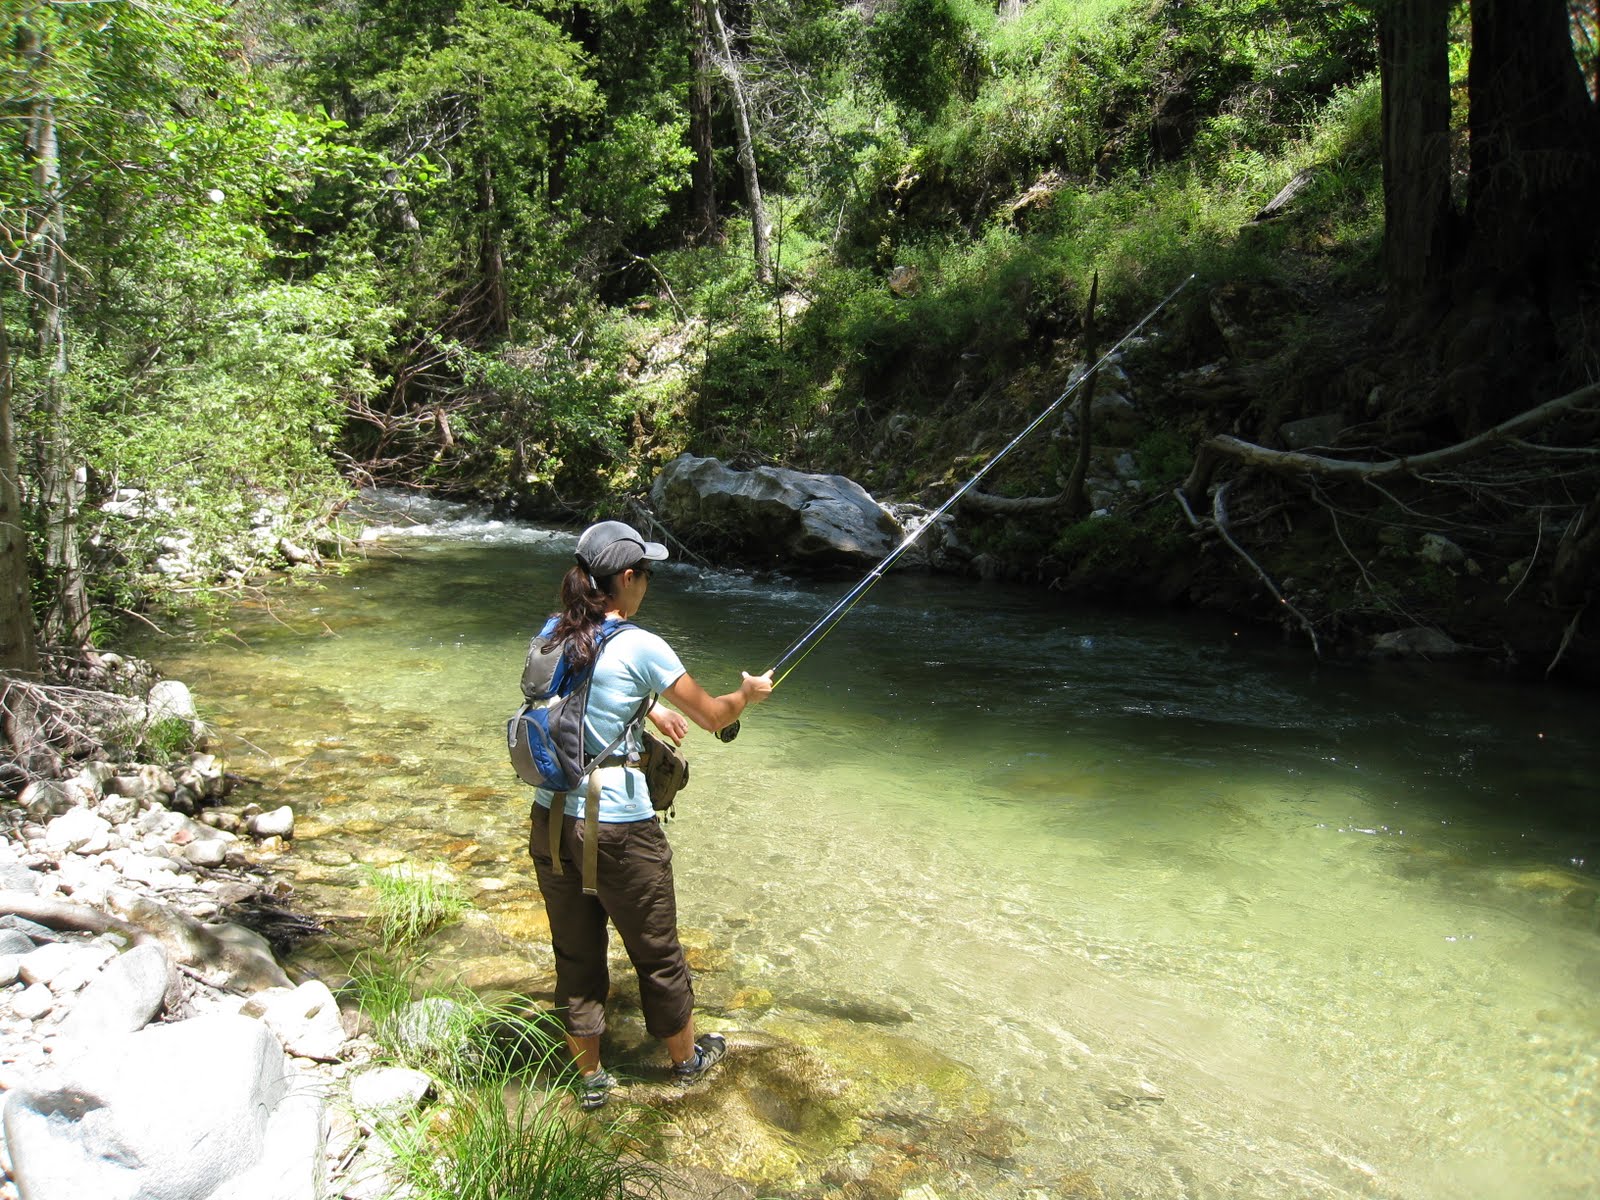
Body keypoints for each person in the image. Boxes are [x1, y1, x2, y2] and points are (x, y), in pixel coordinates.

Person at [526, 519, 773, 1110]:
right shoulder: (641, 644)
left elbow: (576, 701)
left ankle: (590, 1080)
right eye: (648, 574)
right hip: (617, 829)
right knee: (657, 950)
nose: (649, 585)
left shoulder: (553, 632)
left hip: (550, 820)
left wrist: (648, 711)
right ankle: (686, 1061)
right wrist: (748, 696)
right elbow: (714, 717)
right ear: (627, 578)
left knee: (576, 954)